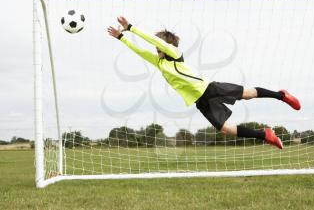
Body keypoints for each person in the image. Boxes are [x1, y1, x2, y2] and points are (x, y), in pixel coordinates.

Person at [108, 16, 301, 149]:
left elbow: (155, 41)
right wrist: (121, 37)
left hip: (209, 89)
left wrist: (131, 27)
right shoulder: (160, 62)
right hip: (200, 101)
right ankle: (265, 135)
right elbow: (140, 51)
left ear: (166, 45)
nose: (154, 45)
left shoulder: (175, 54)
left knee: (248, 94)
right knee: (226, 129)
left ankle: (281, 95)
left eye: (158, 43)